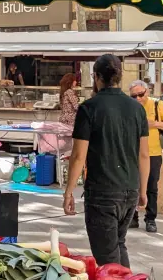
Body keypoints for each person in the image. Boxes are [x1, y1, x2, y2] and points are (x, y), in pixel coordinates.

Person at [63, 54, 149, 266]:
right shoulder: (137, 108)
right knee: (118, 244)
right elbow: (144, 154)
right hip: (130, 188)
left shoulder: (89, 108)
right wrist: (143, 190)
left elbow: (78, 156)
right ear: (119, 77)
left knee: (107, 258)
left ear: (96, 76)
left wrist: (68, 191)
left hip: (103, 192)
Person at [129, 80, 163, 233]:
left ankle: (150, 219)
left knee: (151, 187)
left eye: (140, 95)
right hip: (132, 152)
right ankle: (132, 217)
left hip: (153, 153)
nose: (138, 99)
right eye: (133, 96)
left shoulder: (157, 104)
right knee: (132, 186)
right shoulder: (129, 107)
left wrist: (154, 124)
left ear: (147, 92)